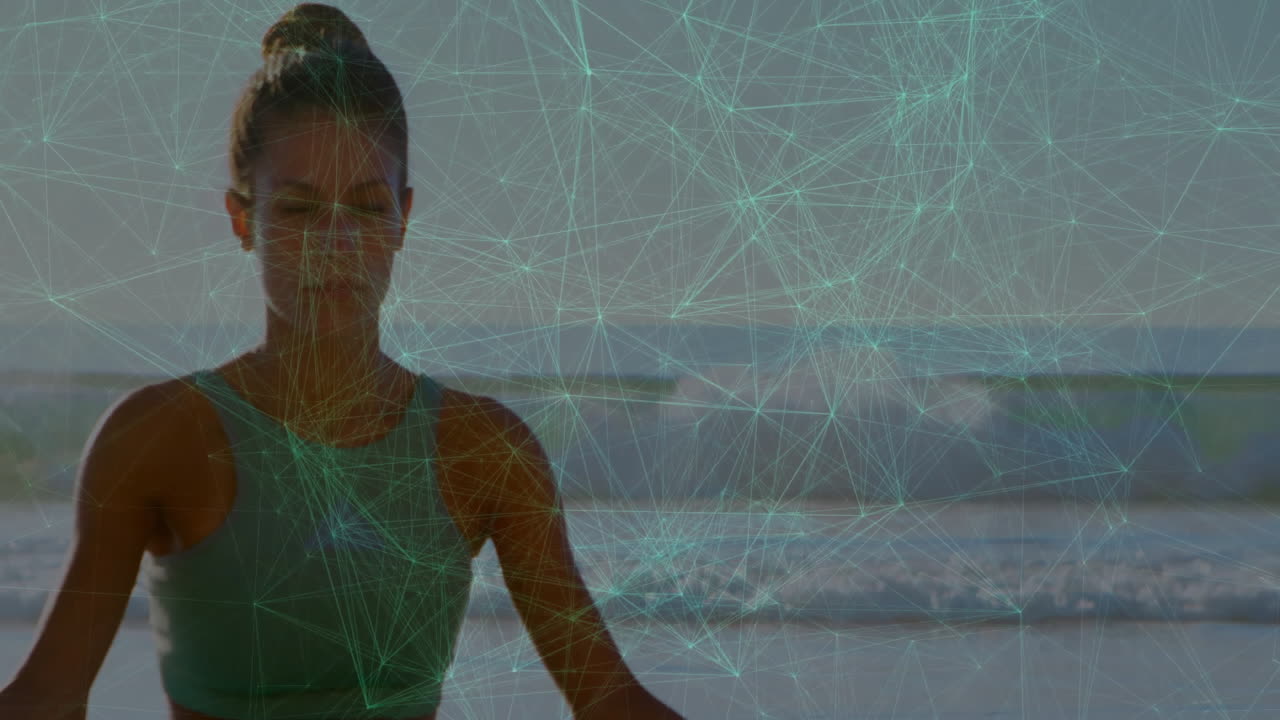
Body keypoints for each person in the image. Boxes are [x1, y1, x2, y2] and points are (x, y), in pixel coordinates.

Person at [0, 4, 685, 719]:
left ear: (402, 221)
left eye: (365, 208)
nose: (336, 243)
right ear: (243, 219)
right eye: (298, 210)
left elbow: (611, 702)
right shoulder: (155, 438)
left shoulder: (484, 451)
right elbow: (47, 698)